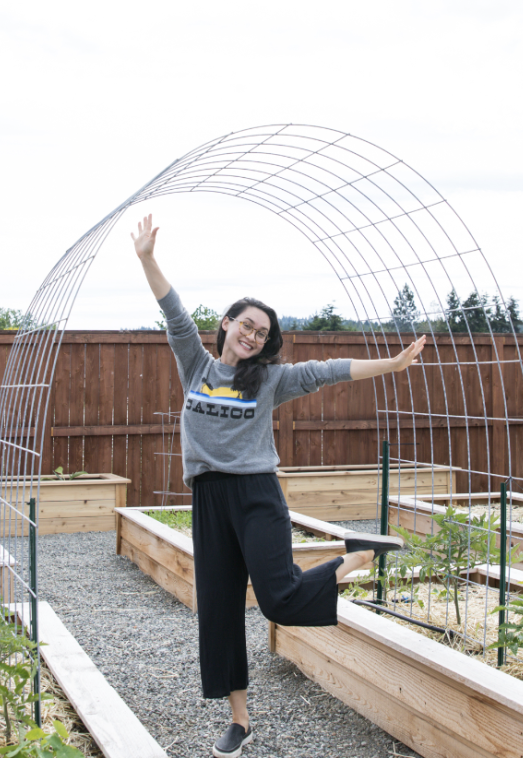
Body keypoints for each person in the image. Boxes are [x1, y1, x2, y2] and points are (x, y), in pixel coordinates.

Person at [131, 214, 426, 758]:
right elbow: (172, 311)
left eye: (262, 332)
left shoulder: (269, 380)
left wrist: (393, 364)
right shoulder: (195, 365)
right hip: (208, 498)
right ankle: (240, 722)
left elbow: (330, 370)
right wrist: (148, 257)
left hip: (257, 496)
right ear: (226, 324)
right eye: (246, 325)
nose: (253, 335)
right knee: (218, 610)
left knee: (280, 601)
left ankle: (356, 558)